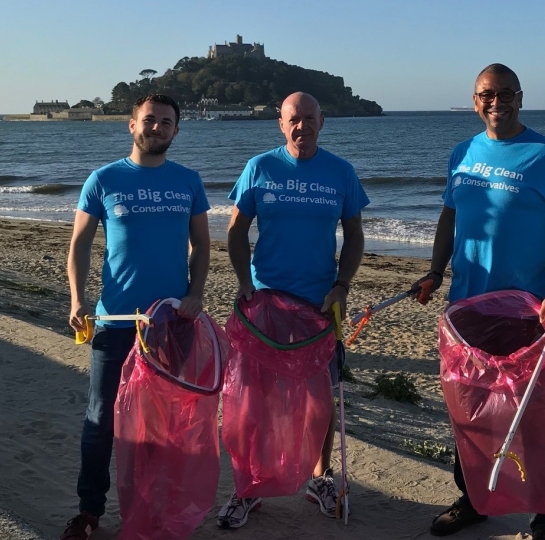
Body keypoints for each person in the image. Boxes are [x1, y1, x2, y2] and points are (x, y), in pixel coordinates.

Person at [418, 64, 545, 540]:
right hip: (466, 307)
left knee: (535, 413)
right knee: (472, 408)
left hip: (528, 309)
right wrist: (434, 270)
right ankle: (475, 499)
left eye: (506, 93)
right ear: (475, 100)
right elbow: (449, 218)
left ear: (520, 97)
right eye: (487, 94)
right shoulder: (462, 152)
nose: (497, 101)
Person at [61, 94, 211, 540]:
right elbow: (80, 245)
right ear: (132, 125)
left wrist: (196, 293)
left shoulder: (188, 181)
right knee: (100, 420)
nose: (157, 128)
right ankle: (90, 512)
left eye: (167, 122)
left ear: (176, 131)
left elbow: (202, 244)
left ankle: (153, 508)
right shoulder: (104, 179)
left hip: (170, 325)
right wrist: (76, 299)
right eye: (150, 121)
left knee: (164, 424)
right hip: (115, 323)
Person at [218, 91, 368, 529]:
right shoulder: (259, 168)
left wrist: (342, 286)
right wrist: (245, 284)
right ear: (281, 126)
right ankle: (247, 487)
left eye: (309, 118)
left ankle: (320, 479)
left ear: (322, 121)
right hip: (265, 302)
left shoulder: (340, 172)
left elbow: (355, 235)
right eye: (292, 120)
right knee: (255, 398)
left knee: (321, 397)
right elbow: (236, 230)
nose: (301, 126)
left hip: (321, 305)